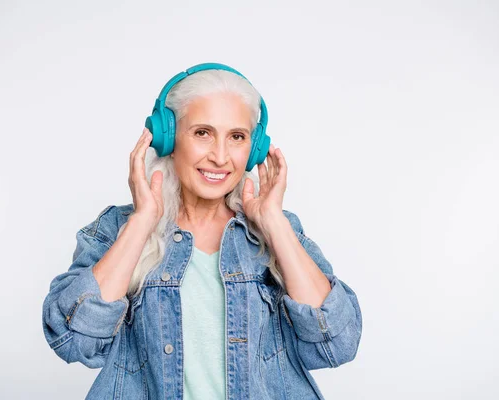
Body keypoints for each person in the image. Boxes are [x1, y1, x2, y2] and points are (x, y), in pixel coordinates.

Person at [42, 63, 362, 400]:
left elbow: (337, 344)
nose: (220, 157)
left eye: (237, 137)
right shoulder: (117, 230)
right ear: (167, 139)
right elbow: (74, 340)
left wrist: (274, 223)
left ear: (253, 148)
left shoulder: (278, 231)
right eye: (202, 133)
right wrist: (142, 221)